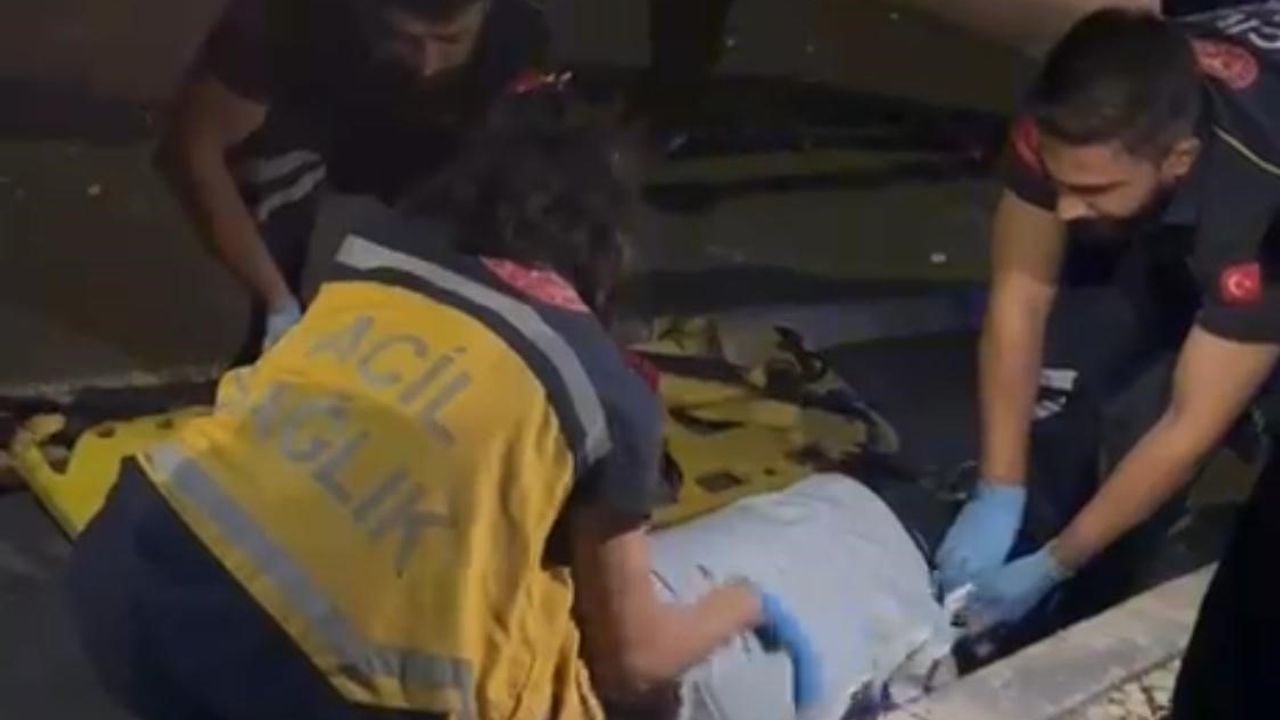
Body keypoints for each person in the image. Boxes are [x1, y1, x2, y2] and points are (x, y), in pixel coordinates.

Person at [67, 80, 821, 719]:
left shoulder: (372, 254)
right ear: (604, 238)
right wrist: (747, 603)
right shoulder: (605, 391)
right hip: (298, 685)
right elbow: (634, 662)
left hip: (126, 573)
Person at [934, 4, 1280, 653]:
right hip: (1193, 188)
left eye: (1093, 189)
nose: (1066, 208)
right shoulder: (1071, 121)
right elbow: (1020, 297)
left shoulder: (1258, 198)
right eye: (1061, 183)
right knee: (1088, 382)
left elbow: (1188, 425)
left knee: (1183, 421)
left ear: (1178, 160)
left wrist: (1059, 562)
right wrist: (999, 487)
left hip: (1260, 215)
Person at [162, 0, 548, 362]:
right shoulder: (284, 15)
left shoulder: (516, 33)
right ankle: (280, 326)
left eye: (450, 41)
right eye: (404, 37)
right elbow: (194, 148)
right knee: (258, 162)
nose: (427, 65)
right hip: (319, 125)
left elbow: (541, 181)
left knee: (508, 186)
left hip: (442, 144)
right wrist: (278, 303)